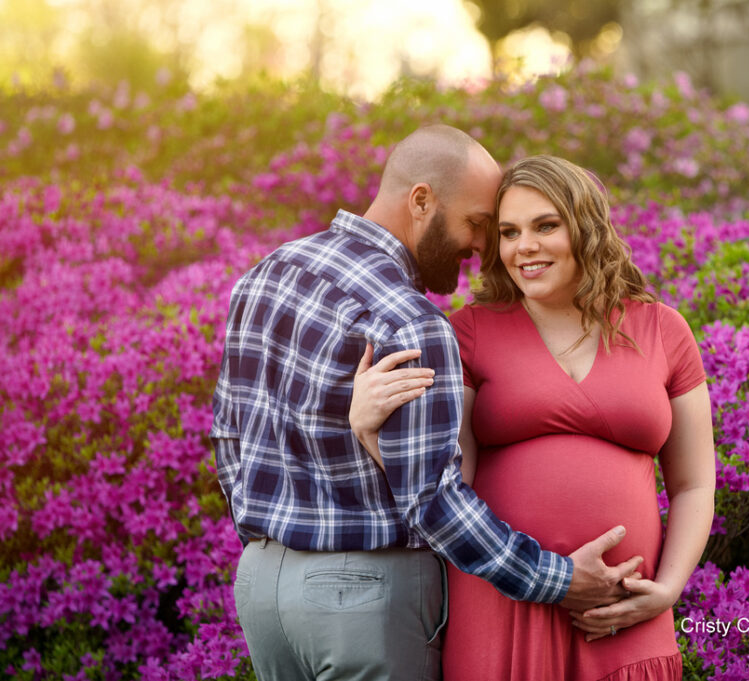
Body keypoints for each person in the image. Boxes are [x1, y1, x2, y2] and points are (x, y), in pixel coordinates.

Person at [210, 128, 643, 681]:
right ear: (421, 201)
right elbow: (433, 501)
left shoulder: (268, 273)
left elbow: (228, 437)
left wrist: (268, 545)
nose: (483, 248)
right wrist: (557, 579)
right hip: (363, 596)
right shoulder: (410, 320)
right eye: (479, 224)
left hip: (262, 590)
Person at [350, 154, 716, 680]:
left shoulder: (663, 329)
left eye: (546, 225)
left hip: (623, 610)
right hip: (503, 606)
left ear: (586, 228)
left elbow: (694, 483)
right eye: (508, 231)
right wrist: (367, 429)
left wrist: (668, 589)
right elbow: (447, 483)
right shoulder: (469, 332)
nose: (525, 247)